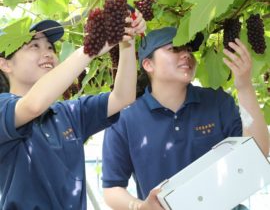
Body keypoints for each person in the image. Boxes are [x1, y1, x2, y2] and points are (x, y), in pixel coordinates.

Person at [102, 26, 269, 210]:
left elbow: (259, 150)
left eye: (189, 49)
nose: (186, 55)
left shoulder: (217, 101)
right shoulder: (124, 119)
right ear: (148, 64)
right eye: (174, 48)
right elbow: (112, 188)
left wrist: (244, 86)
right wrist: (141, 207)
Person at [0, 13, 146, 210]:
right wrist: (90, 48)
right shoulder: (3, 107)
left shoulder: (69, 112)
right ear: (5, 64)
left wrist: (127, 42)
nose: (48, 53)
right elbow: (33, 106)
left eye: (51, 47)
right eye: (34, 46)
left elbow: (123, 97)